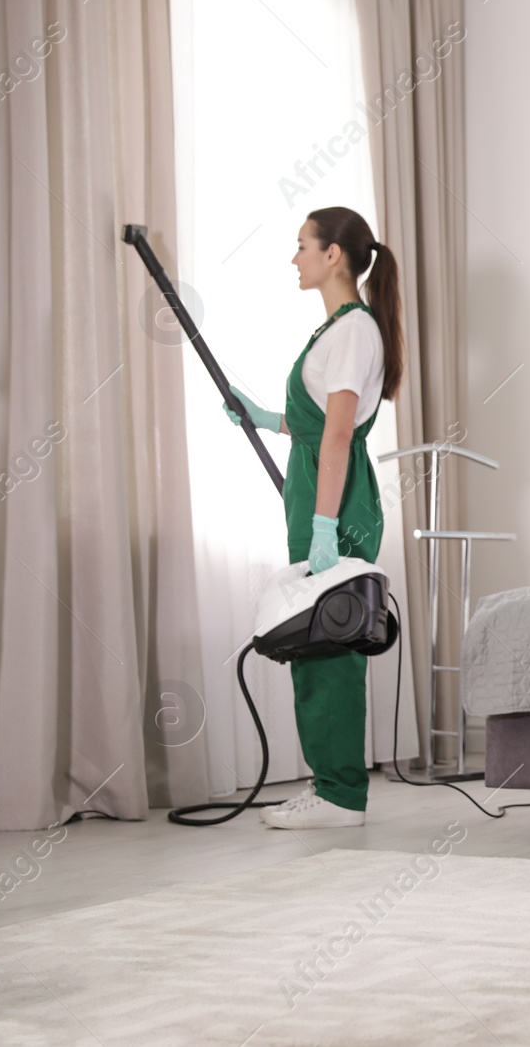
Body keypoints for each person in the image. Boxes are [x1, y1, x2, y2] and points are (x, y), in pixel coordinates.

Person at [224, 206, 405, 829]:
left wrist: (327, 527)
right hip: (319, 494)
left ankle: (339, 796)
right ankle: (332, 789)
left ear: (333, 255)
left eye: (301, 245)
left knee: (330, 645)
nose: (294, 257)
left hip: (337, 500)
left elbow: (336, 441)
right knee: (314, 642)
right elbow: (316, 427)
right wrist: (264, 417)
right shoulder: (336, 331)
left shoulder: (354, 330)